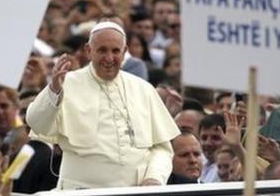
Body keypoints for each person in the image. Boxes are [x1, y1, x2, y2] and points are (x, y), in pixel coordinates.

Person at [27, 21, 179, 189]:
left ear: (125, 52)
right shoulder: (66, 83)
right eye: (102, 50)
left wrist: (154, 178)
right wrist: (53, 92)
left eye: (115, 51)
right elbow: (37, 124)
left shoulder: (143, 89)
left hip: (135, 192)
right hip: (81, 193)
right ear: (89, 51)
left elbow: (162, 148)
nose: (109, 58)